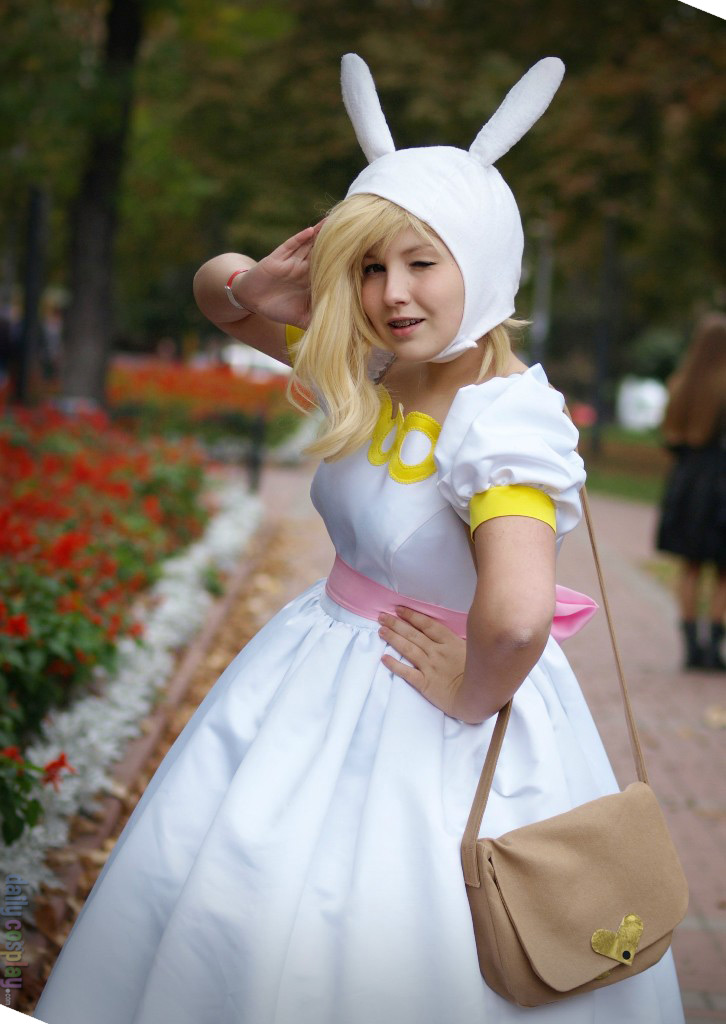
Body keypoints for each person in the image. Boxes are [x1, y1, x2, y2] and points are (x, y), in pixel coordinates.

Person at [33, 54, 684, 1024]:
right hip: (325, 674)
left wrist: (469, 686)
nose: (393, 290)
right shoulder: (374, 369)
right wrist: (266, 280)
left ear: (488, 259)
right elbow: (218, 292)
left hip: (434, 703)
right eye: (371, 266)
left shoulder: (497, 423)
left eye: (424, 260)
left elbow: (512, 616)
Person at [656, 313, 726, 671]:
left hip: (687, 483)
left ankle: (690, 648)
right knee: (723, 574)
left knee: (690, 567)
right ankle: (714, 649)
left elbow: (669, 438)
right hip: (721, 484)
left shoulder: (680, 384)